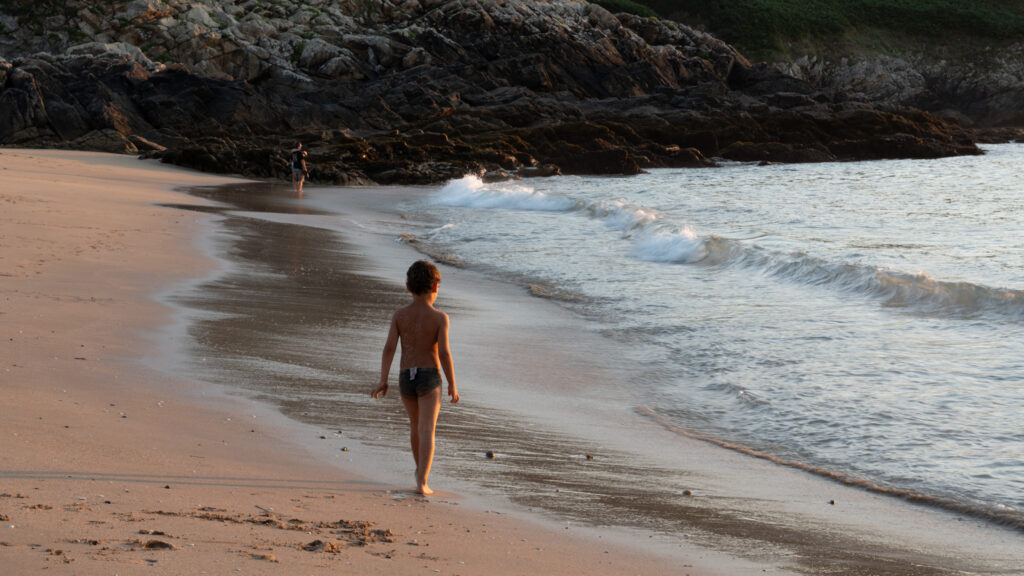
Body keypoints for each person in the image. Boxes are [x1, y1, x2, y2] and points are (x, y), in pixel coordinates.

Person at [371, 260, 459, 495]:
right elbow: (444, 353)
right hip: (429, 377)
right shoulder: (440, 318)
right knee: (427, 429)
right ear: (436, 287)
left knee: (414, 425)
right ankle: (422, 480)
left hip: (405, 377)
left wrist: (383, 379)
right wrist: (452, 382)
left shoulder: (400, 316)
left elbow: (389, 347)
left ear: (408, 287)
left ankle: (419, 471)